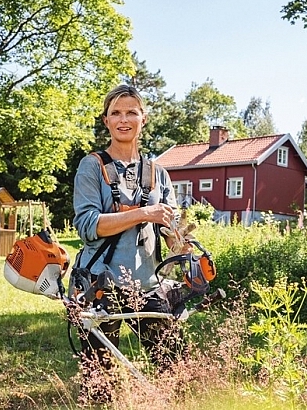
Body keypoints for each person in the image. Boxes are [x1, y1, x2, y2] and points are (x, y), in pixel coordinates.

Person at [72, 84, 185, 401]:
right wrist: (143, 213)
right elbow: (87, 226)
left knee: (171, 368)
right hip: (99, 282)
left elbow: (174, 236)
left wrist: (184, 243)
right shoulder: (92, 166)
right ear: (106, 120)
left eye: (131, 112)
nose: (124, 119)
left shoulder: (158, 172)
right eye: (116, 113)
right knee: (100, 383)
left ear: (143, 118)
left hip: (147, 284)